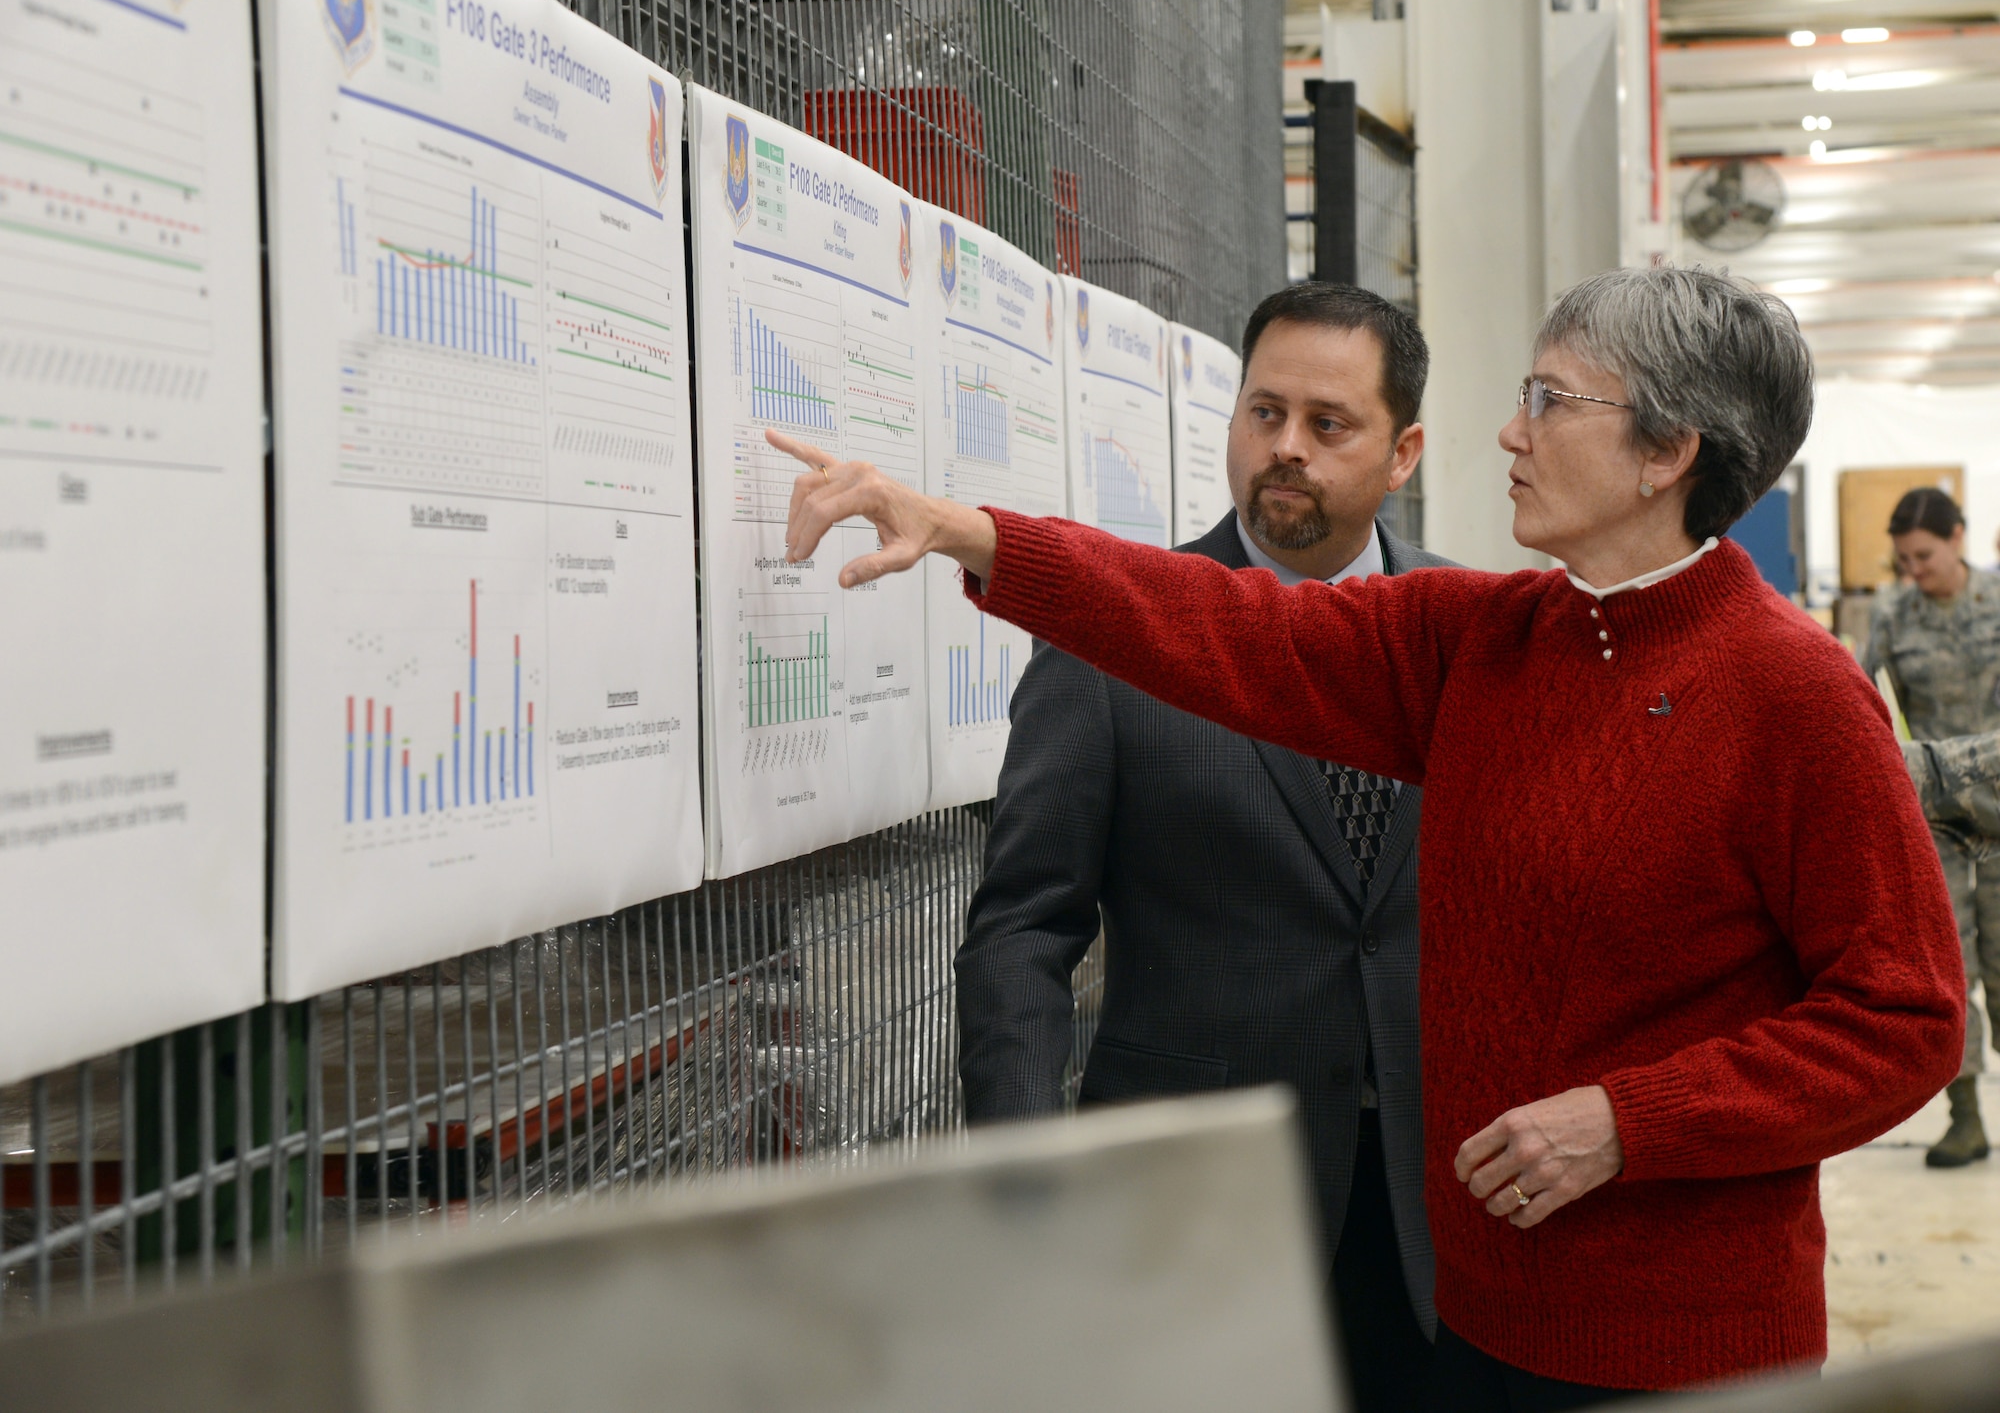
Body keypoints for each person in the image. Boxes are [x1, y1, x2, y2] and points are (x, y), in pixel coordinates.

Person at [766, 264, 1963, 1405]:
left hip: (1679, 1343)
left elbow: (1901, 1018)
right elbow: (1220, 622)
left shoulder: (1793, 696)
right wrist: (969, 531)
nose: (1510, 431)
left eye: (1548, 401)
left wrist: (1629, 1121)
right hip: (1479, 1317)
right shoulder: (1478, 640)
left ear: (1665, 452)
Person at [957, 283, 1449, 1412]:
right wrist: (1024, 1178)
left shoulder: (1465, 629)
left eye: (1327, 425)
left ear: (1402, 448)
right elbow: (1023, 929)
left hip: (1439, 1207)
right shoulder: (1112, 634)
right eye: (1261, 412)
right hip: (1194, 1202)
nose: (1284, 450)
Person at [1862, 487, 2000, 1169]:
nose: (1913, 570)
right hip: (1936, 822)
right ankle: (1966, 1118)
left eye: (1924, 555)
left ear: (1958, 538)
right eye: (1904, 560)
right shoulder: (1894, 617)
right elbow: (1862, 703)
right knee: (1952, 967)